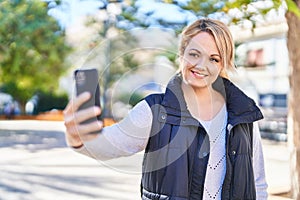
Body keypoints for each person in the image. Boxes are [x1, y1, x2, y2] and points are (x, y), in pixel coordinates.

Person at [64, 18, 268, 200]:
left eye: (213, 58)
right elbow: (112, 144)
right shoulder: (155, 110)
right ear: (181, 54)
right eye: (194, 54)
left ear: (223, 64)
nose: (201, 65)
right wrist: (79, 137)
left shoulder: (243, 115)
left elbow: (257, 183)